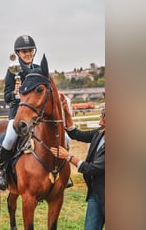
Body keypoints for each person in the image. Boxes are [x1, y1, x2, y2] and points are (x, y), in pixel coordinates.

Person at [0, 35, 40, 190]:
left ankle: (60, 172)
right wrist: (14, 93)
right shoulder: (12, 71)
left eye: (30, 50)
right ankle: (2, 173)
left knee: (63, 137)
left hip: (36, 115)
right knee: (10, 137)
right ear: (18, 53)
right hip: (18, 113)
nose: (28, 53)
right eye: (24, 51)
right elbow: (6, 97)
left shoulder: (38, 69)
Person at [50, 93, 105, 230]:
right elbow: (76, 134)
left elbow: (92, 168)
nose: (99, 121)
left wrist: (68, 157)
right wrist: (67, 114)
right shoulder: (100, 133)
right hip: (96, 193)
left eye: (102, 117)